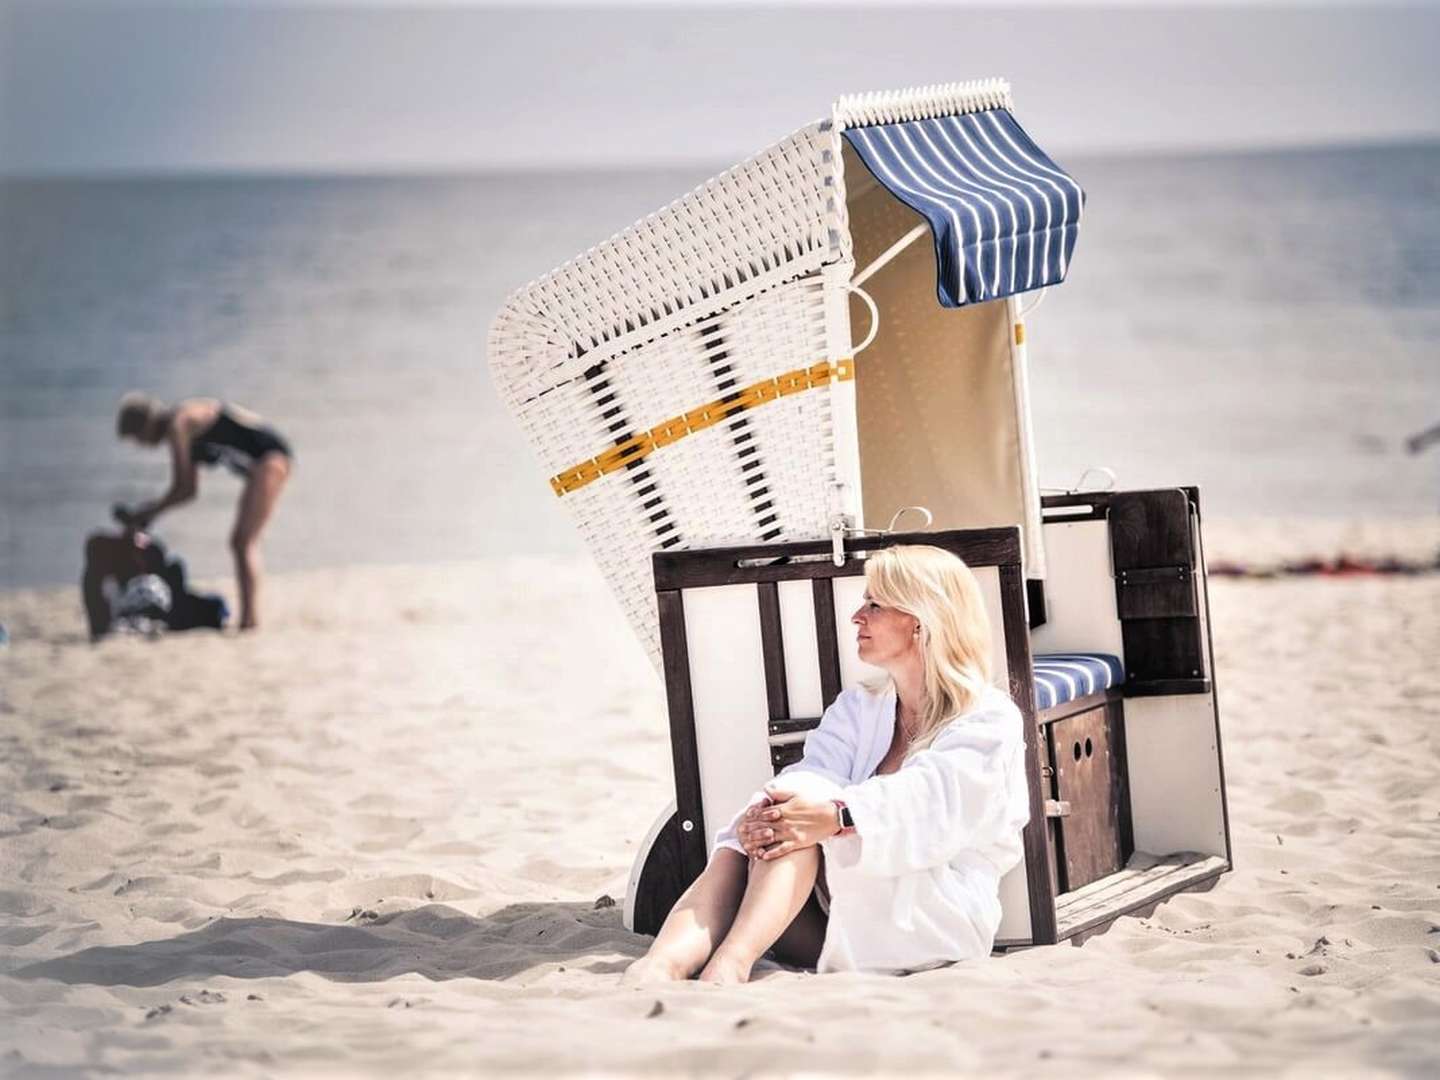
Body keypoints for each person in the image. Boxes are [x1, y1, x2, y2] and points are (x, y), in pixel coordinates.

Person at [624, 544, 1031, 983]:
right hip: (837, 910)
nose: (857, 616)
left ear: (919, 621)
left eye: (874, 604)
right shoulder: (863, 706)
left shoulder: (988, 718)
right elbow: (814, 771)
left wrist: (835, 818)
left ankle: (728, 965)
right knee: (784, 815)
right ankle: (663, 963)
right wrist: (769, 810)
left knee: (804, 819)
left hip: (931, 916)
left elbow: (932, 806)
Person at [115, 394, 292, 630]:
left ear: (144, 426)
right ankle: (249, 620)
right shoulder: (185, 427)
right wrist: (149, 513)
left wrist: (148, 512)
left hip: (270, 460)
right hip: (261, 464)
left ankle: (250, 621)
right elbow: (189, 490)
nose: (143, 446)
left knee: (243, 542)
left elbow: (181, 486)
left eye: (138, 439)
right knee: (242, 542)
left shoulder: (180, 424)